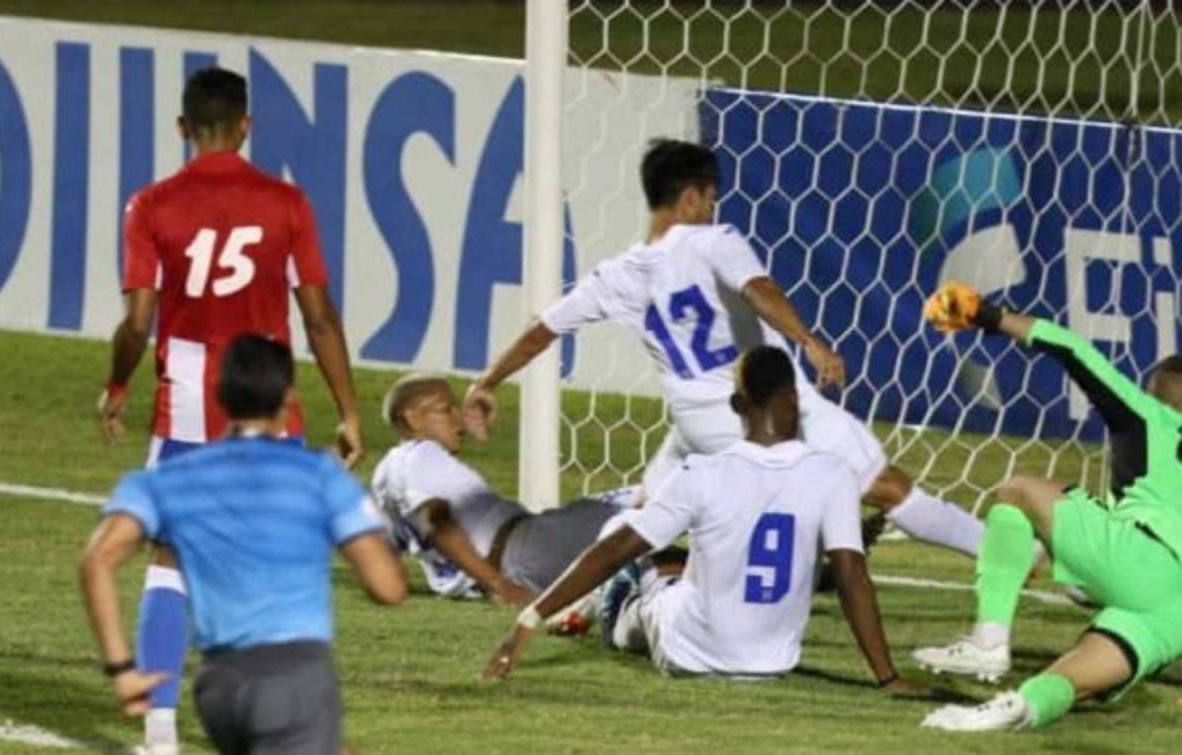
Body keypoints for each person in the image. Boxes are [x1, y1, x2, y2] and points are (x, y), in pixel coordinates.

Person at [464, 139, 983, 561]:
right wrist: (810, 342)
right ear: (692, 197)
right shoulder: (712, 239)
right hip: (764, 411)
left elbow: (541, 332)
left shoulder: (615, 275)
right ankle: (1008, 555)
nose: (713, 210)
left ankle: (575, 603)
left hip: (696, 423)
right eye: (710, 199)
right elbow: (759, 290)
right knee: (887, 488)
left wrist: (485, 383)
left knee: (648, 513)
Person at [96, 67, 362, 752]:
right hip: (269, 396)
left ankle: (160, 727)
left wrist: (119, 379)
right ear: (247, 125)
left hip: (188, 394)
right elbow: (320, 315)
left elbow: (139, 318)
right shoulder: (287, 202)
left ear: (184, 129)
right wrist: (349, 408)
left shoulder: (151, 205)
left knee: (170, 554)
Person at [482, 346, 916, 693]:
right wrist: (888, 678)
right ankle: (650, 582)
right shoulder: (834, 474)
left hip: (686, 651)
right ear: (795, 400)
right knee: (682, 560)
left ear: (735, 405)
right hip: (772, 663)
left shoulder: (702, 472)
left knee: (625, 540)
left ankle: (608, 604)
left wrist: (527, 621)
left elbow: (613, 551)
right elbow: (853, 577)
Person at [80, 335, 406, 754]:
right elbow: (387, 588)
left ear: (219, 395)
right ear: (288, 397)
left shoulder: (168, 480)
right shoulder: (320, 476)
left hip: (219, 687)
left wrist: (122, 668)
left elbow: (97, 560)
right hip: (295, 677)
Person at [914, 281, 1182, 731]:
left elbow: (1072, 349)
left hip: (1143, 558)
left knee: (1018, 491)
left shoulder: (1151, 416)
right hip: (1174, 610)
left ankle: (988, 639)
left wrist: (987, 315)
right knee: (1070, 681)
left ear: (1159, 392)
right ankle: (1006, 713)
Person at [373, 374, 632, 608]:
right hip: (528, 549)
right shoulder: (421, 455)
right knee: (653, 501)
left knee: (637, 523)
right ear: (411, 418)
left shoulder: (387, 476)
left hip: (520, 557)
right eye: (446, 409)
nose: (459, 417)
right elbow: (437, 522)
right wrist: (498, 585)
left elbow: (385, 547)